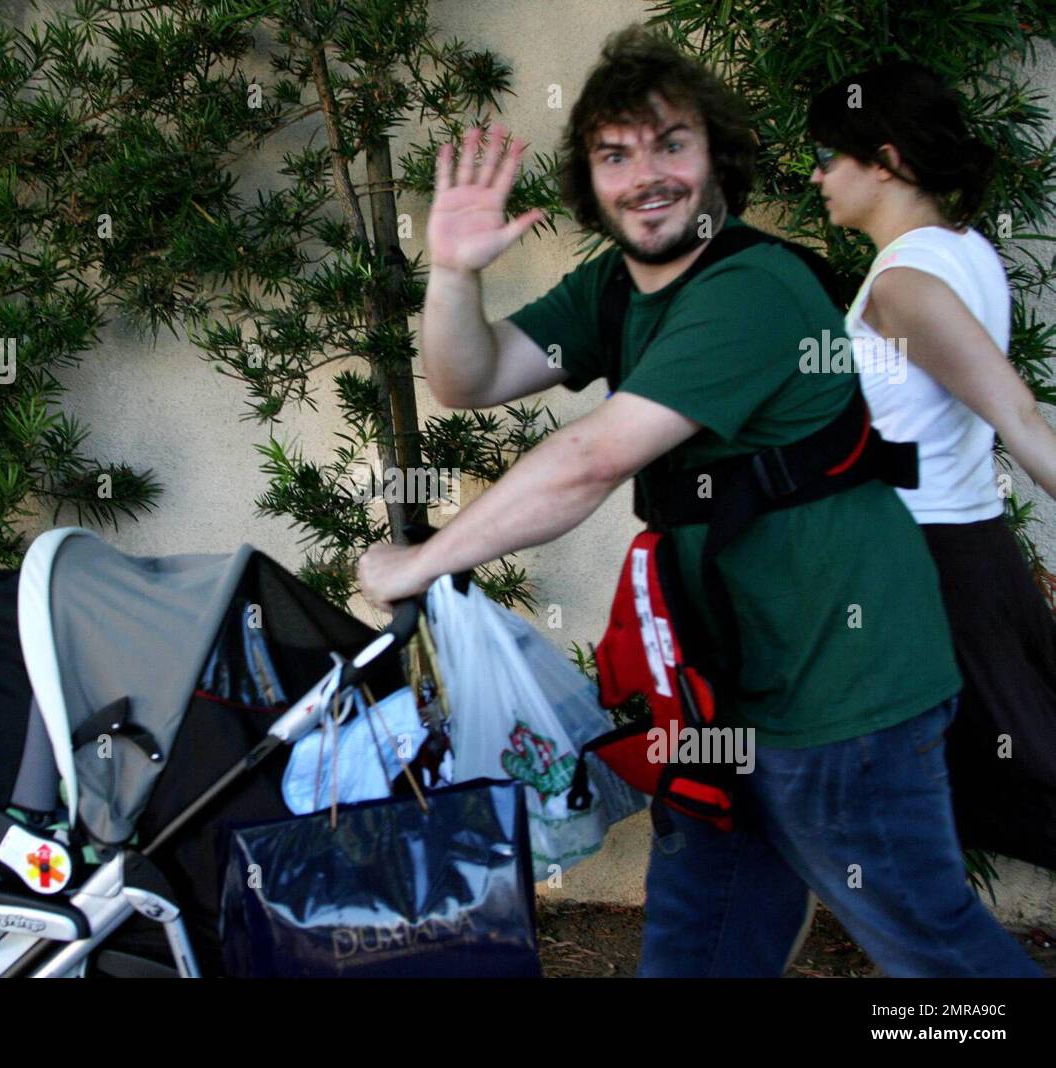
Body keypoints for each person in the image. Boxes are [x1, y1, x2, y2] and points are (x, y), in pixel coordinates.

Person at [355, 25, 1042, 977]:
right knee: (700, 948)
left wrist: (424, 560)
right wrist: (454, 271)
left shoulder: (756, 289)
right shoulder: (612, 289)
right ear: (590, 182)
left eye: (672, 143)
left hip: (842, 696)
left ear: (719, 159)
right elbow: (468, 378)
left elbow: (593, 458)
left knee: (936, 956)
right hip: (717, 694)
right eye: (614, 154)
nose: (647, 174)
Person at [809, 61, 1056, 871]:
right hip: (956, 552)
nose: (816, 176)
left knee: (972, 803)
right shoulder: (965, 251)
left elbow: (1016, 414)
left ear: (884, 161)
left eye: (827, 157)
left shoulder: (907, 282)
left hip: (930, 566)